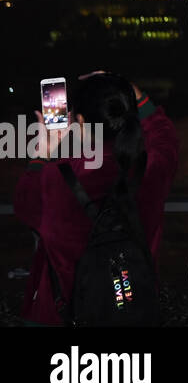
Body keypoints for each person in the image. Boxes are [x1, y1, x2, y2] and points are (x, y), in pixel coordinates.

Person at [14, 70, 179, 325]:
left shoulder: (56, 176)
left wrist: (42, 156)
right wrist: (131, 89)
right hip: (134, 311)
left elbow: (25, 207)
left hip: (63, 315)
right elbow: (163, 134)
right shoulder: (152, 167)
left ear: (78, 121)